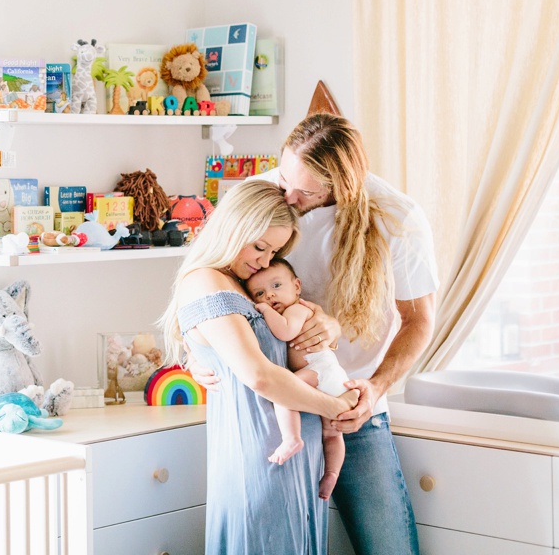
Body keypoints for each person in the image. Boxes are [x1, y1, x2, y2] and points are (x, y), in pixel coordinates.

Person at [194, 112, 437, 554]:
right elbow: (208, 282)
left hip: (351, 405)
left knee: (388, 544)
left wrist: (374, 388)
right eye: (284, 177)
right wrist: (197, 354)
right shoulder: (262, 197)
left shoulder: (397, 217)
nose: (288, 195)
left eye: (304, 191)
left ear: (342, 184)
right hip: (272, 408)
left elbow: (419, 320)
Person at [159, 180, 358, 554]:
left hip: (295, 453)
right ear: (233, 227)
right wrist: (335, 408)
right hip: (261, 455)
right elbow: (259, 376)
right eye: (260, 247)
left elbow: (282, 347)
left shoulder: (241, 282)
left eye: (274, 252)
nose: (265, 262)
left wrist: (327, 326)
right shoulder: (207, 282)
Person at [247, 258, 352, 500]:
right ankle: (332, 473)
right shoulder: (291, 309)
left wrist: (265, 310)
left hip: (319, 369)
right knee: (332, 434)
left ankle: (292, 439)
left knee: (283, 392)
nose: (269, 296)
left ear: (296, 286)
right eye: (260, 293)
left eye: (276, 286)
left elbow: (285, 331)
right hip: (325, 374)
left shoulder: (297, 309)